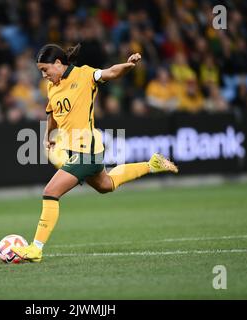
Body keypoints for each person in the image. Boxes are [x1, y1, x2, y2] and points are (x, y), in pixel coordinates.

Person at [12, 44, 178, 262]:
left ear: (59, 63)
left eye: (45, 69)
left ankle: (36, 248)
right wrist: (47, 136)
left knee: (50, 192)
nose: (43, 75)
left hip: (86, 150)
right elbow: (53, 113)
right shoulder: (52, 87)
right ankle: (151, 164)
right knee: (106, 185)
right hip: (77, 150)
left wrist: (128, 65)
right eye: (41, 71)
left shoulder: (85, 74)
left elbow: (110, 72)